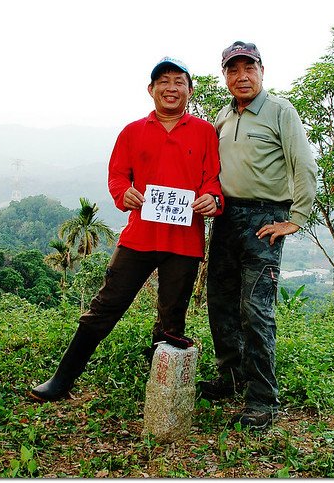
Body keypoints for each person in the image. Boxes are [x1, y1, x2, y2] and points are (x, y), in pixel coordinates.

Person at [29, 57, 224, 402]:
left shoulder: (205, 132)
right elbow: (118, 176)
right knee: (105, 305)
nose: (171, 88)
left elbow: (213, 182)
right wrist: (124, 193)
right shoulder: (133, 131)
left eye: (179, 82)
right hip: (139, 237)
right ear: (151, 90)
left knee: (172, 317)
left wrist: (212, 198)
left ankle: (161, 386)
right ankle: (62, 379)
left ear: (190, 91)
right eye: (163, 81)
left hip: (185, 241)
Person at [199, 41, 317, 430]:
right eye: (233, 70)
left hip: (265, 217)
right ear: (225, 76)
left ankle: (263, 399)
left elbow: (303, 163)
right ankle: (230, 378)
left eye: (249, 68)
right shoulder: (224, 115)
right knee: (220, 301)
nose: (242, 76)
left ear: (262, 71)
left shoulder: (280, 110)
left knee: (255, 310)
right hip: (227, 216)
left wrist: (296, 217)